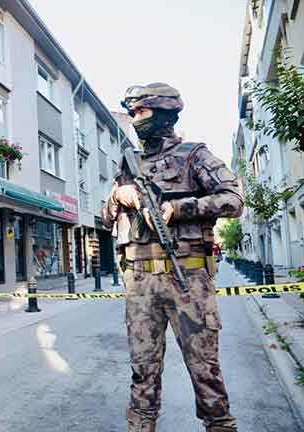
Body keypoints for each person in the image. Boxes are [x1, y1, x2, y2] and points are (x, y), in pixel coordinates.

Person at [102, 83, 243, 432]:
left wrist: (177, 209)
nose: (135, 119)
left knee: (204, 369)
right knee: (142, 370)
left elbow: (234, 200)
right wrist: (118, 196)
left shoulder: (194, 155)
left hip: (188, 280)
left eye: (141, 112)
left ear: (163, 114)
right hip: (140, 284)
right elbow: (106, 220)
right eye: (132, 113)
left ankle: (220, 425)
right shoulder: (129, 163)